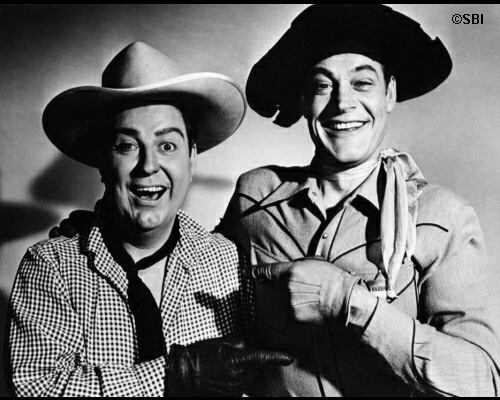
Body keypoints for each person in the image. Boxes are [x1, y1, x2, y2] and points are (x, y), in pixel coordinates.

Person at [216, 4, 500, 397]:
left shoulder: (441, 216)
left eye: (362, 83)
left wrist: (351, 303)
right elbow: (199, 279)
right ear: (304, 100)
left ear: (389, 94)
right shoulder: (256, 198)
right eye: (323, 86)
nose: (342, 103)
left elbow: (482, 382)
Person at [7, 41, 292, 397]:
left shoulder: (227, 262)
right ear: (103, 161)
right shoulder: (52, 266)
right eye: (127, 145)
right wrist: (175, 376)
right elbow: (34, 387)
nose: (148, 165)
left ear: (192, 157)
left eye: (167, 145)